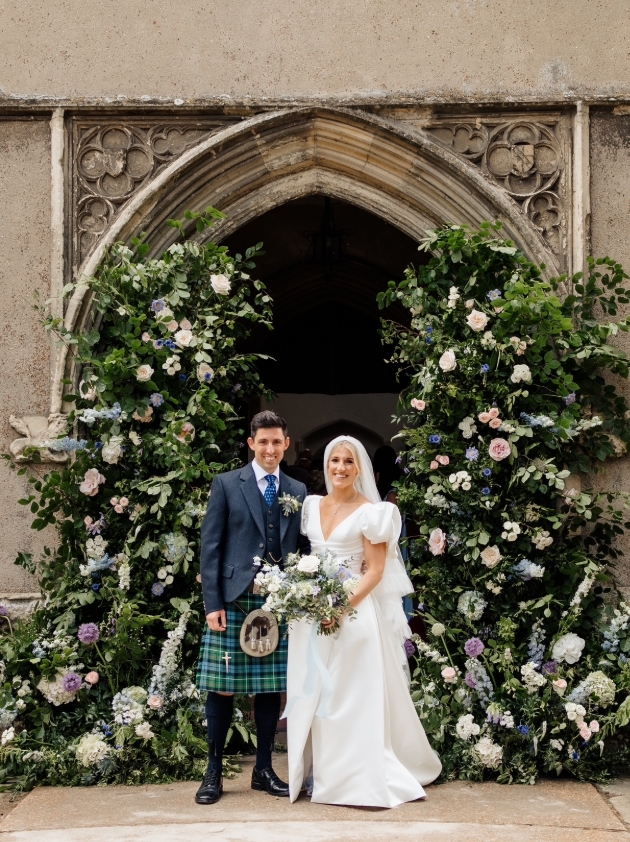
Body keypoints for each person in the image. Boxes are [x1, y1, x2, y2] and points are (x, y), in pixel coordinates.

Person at [285, 436, 442, 807]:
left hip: (352, 614)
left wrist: (338, 607)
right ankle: (318, 773)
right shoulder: (310, 505)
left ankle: (352, 777)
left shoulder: (373, 512)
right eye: (334, 460)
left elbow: (374, 572)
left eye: (348, 462)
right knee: (314, 692)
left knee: (348, 697)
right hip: (310, 614)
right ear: (326, 464)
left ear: (360, 469)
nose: (340, 468)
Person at [195, 410, 309, 805]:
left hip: (278, 602)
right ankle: (213, 772)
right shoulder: (227, 484)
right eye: (263, 441)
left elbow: (304, 547)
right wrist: (213, 603)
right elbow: (210, 545)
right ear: (251, 444)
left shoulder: (297, 488)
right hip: (234, 599)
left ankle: (263, 770)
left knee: (269, 689)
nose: (270, 448)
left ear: (286, 444)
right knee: (221, 689)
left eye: (277, 441)